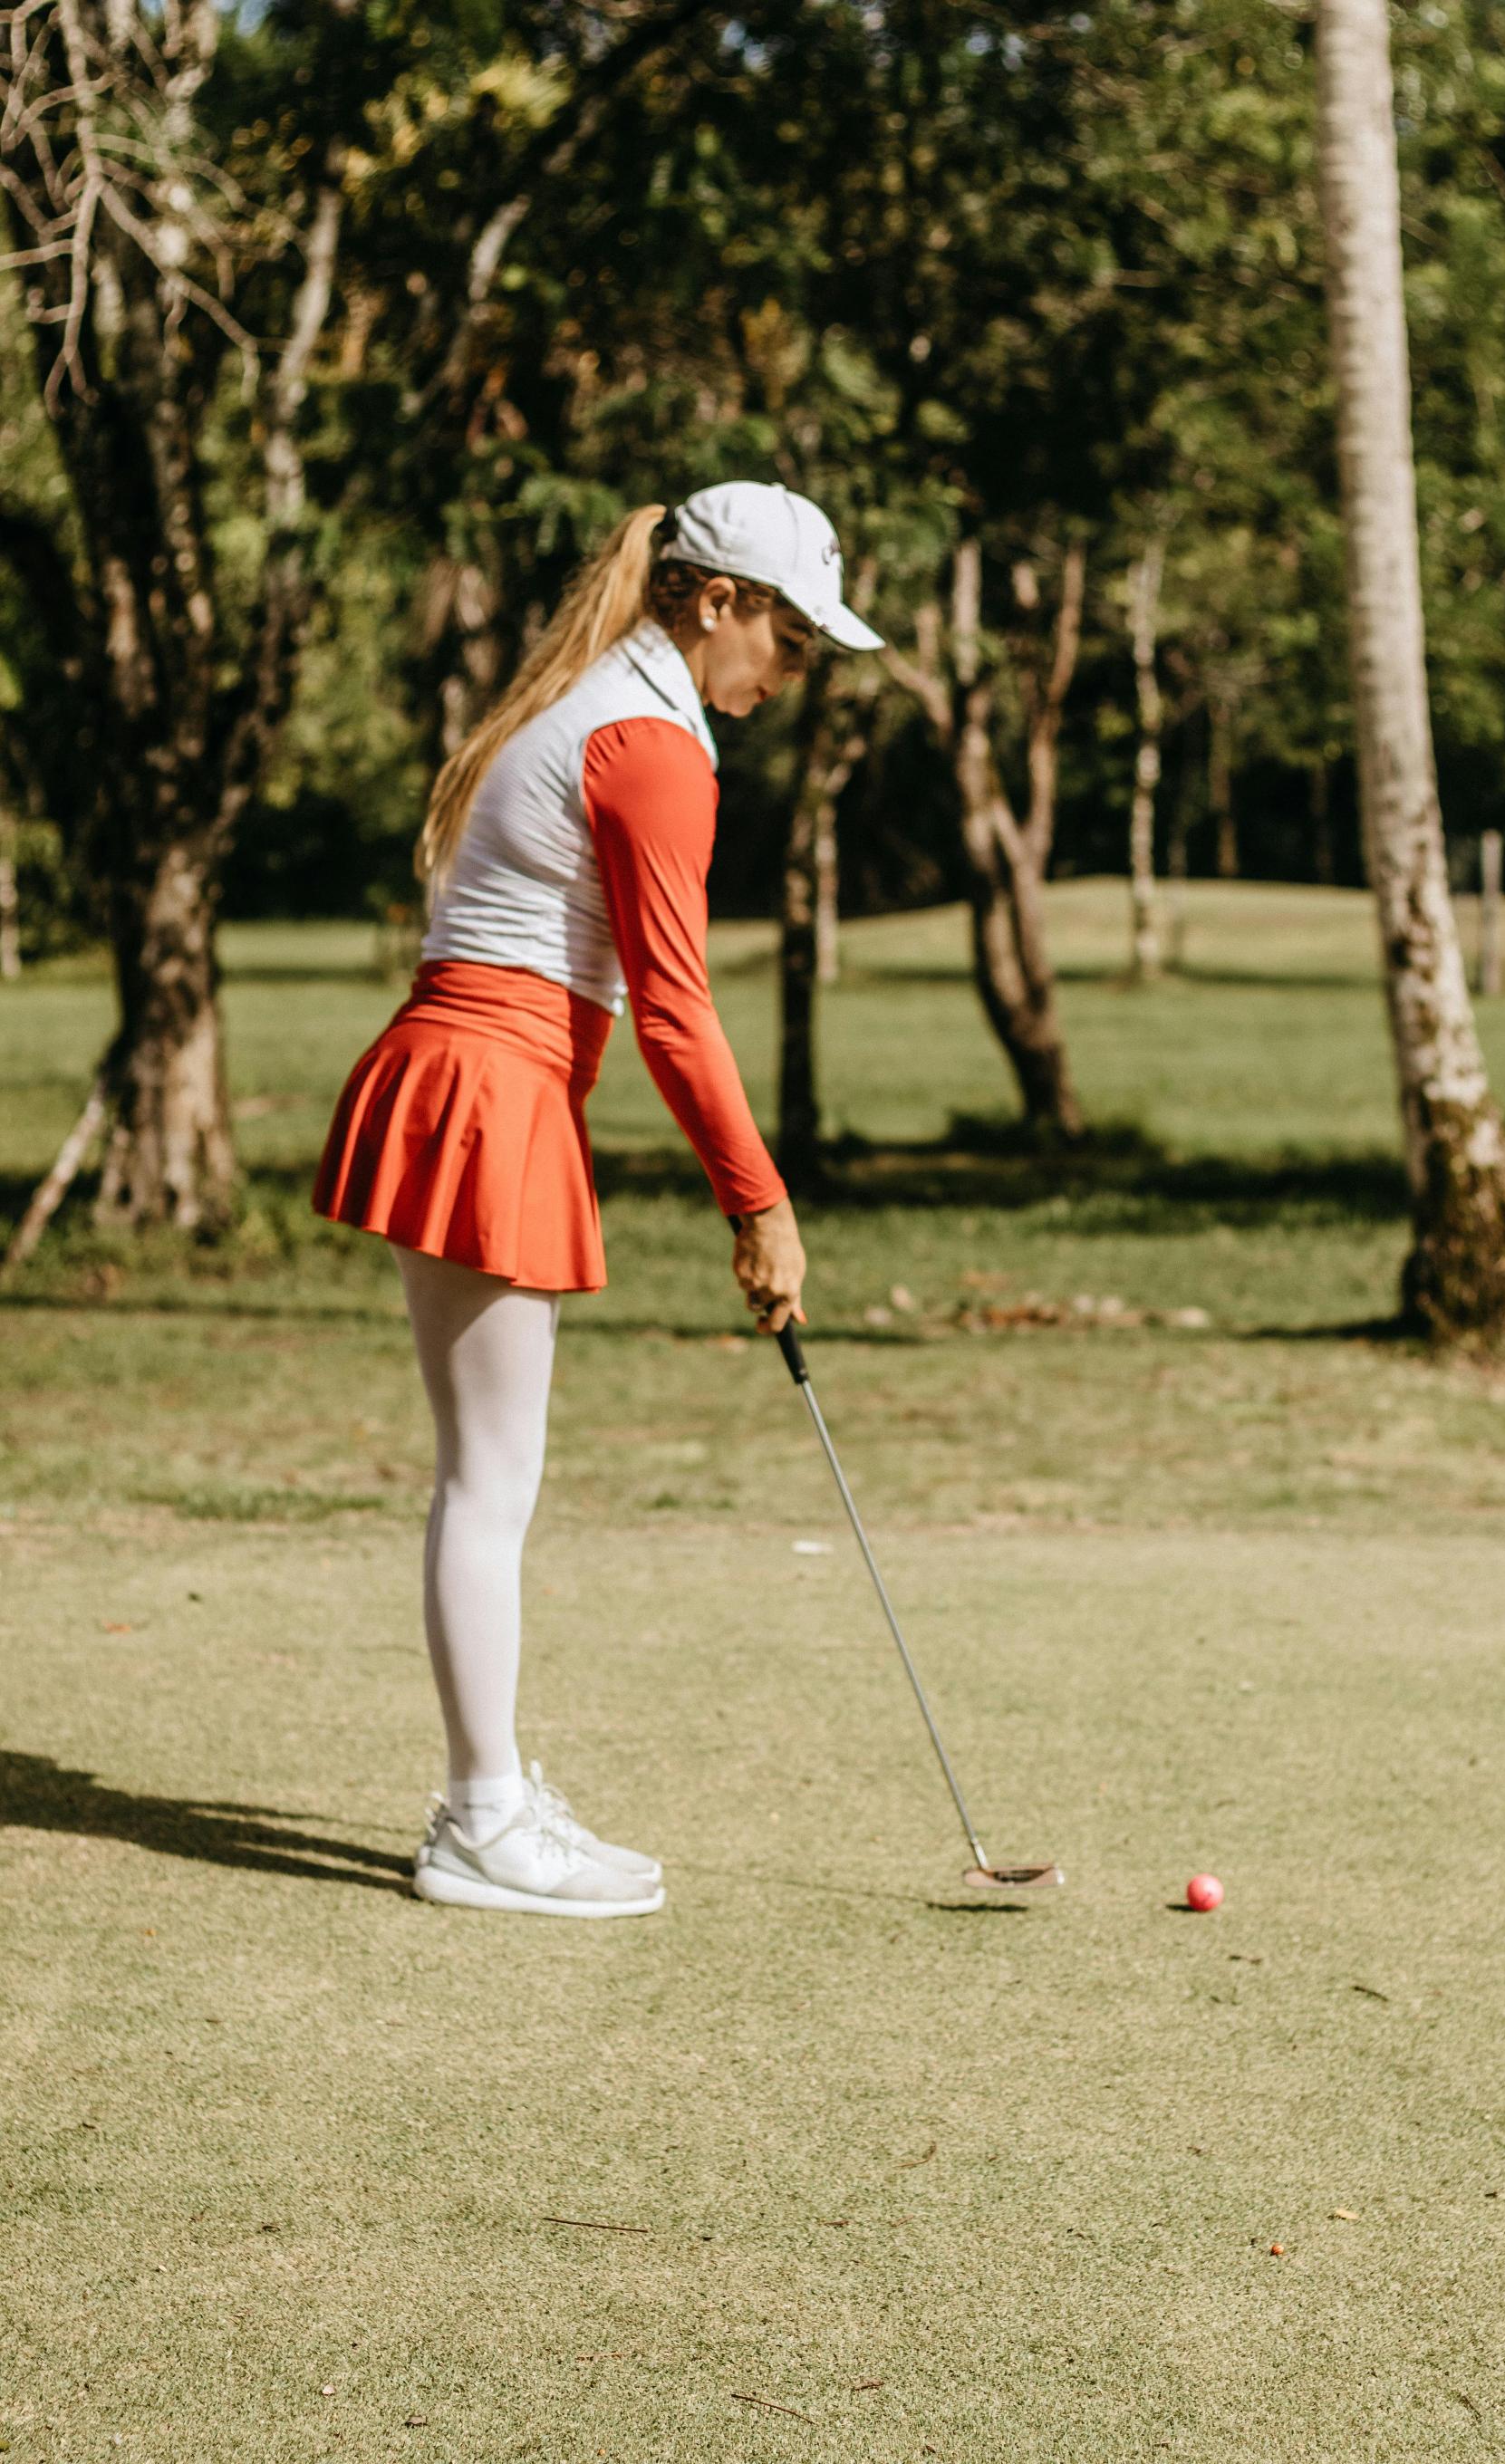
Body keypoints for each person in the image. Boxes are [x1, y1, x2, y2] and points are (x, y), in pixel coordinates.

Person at [313, 483, 883, 1919]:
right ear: (714, 603)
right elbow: (679, 1010)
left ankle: (490, 1795)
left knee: (487, 1472)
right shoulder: (650, 748)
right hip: (490, 1087)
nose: (792, 675)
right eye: (789, 639)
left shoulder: (591, 699)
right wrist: (760, 1203)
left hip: (472, 1073)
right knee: (490, 1479)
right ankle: (482, 1819)